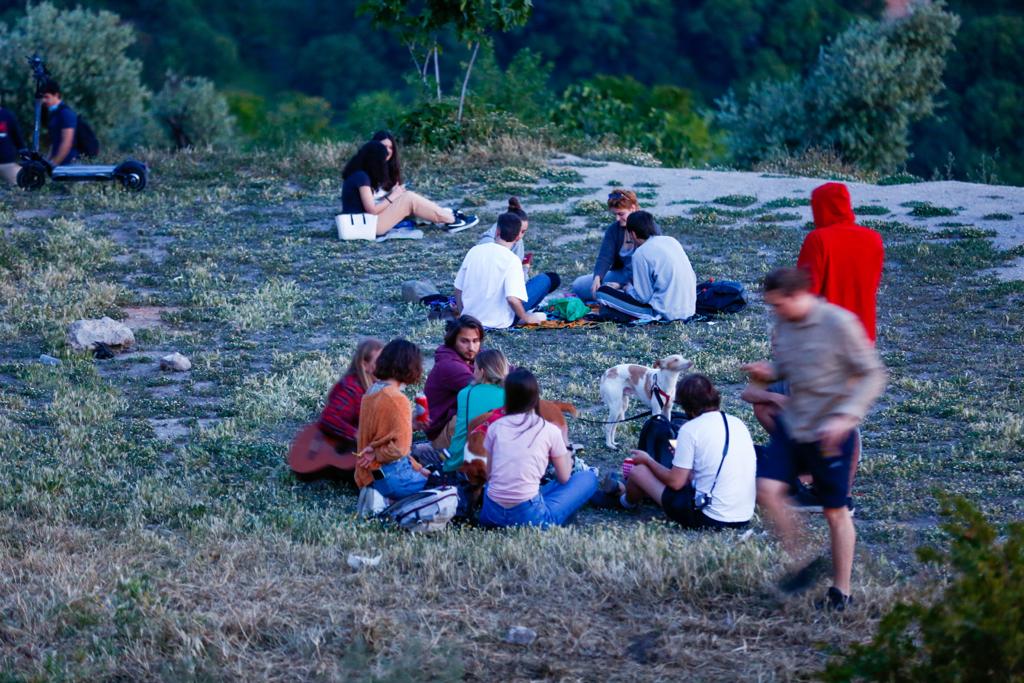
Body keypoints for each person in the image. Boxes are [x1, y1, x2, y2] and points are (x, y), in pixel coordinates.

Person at [743, 267, 886, 611]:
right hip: (795, 426)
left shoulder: (839, 323)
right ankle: (804, 560)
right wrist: (770, 372)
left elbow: (873, 374)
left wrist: (846, 417)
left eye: (777, 304)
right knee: (767, 489)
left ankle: (841, 592)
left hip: (830, 430)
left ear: (795, 296)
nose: (773, 312)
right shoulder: (787, 326)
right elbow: (792, 367)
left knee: (835, 511)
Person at [600, 375, 756, 530]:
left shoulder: (691, 429)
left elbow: (676, 482)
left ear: (687, 406)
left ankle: (623, 501)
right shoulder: (737, 423)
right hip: (743, 516)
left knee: (639, 471)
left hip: (708, 517)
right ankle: (623, 488)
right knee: (670, 474)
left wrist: (648, 460)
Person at [478, 369, 598, 529]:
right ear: (535, 397)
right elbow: (564, 477)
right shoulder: (549, 430)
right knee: (587, 478)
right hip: (528, 516)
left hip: (491, 514)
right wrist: (567, 448)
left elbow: (490, 475)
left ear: (507, 397)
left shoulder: (495, 427)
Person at [798, 182, 885, 344]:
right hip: (863, 333)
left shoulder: (818, 239)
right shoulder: (874, 239)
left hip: (826, 334)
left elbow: (806, 291)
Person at [340, 140, 478, 238]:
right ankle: (451, 220)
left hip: (366, 224)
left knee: (406, 197)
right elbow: (372, 210)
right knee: (408, 198)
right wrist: (394, 195)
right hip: (369, 226)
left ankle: (446, 216)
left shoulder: (357, 174)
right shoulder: (361, 178)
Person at [354, 339, 430, 513]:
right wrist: (376, 453)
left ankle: (381, 495)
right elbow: (400, 450)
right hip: (392, 474)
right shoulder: (398, 400)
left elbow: (382, 434)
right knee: (441, 485)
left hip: (370, 475)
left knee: (424, 474)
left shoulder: (372, 392)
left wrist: (409, 425)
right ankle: (388, 501)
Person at [454, 211, 560, 329]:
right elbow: (512, 299)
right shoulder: (512, 260)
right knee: (550, 279)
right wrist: (526, 318)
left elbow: (458, 288)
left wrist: (464, 314)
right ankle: (522, 317)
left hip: (470, 317)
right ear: (518, 236)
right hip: (500, 321)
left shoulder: (474, 251)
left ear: (497, 231)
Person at [595, 211, 696, 322]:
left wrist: (626, 288)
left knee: (602, 292)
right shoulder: (671, 241)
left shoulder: (641, 253)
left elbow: (643, 297)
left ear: (632, 234)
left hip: (664, 312)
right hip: (689, 309)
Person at [571, 189, 649, 302]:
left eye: (621, 214)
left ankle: (622, 293)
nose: (617, 218)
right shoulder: (614, 229)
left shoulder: (647, 226)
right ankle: (619, 294)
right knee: (579, 285)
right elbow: (605, 256)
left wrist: (622, 284)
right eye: (615, 214)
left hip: (643, 278)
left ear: (633, 208)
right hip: (622, 274)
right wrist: (597, 277)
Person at [423, 316, 484, 449]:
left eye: (476, 341)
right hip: (442, 432)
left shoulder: (478, 356)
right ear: (453, 341)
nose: (471, 347)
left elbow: (510, 369)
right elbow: (483, 393)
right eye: (464, 341)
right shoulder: (449, 366)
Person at [444, 349, 510, 471]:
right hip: (503, 465)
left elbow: (462, 434)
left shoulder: (466, 393)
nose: (472, 373)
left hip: (466, 464)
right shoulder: (512, 394)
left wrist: (451, 465)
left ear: (482, 372)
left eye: (474, 369)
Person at [318, 337, 384, 453]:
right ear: (364, 365)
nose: (384, 366)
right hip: (342, 452)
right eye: (379, 362)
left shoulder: (375, 385)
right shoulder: (351, 388)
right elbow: (329, 418)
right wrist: (357, 435)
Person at [477, 196, 528, 261]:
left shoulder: (518, 241)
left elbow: (518, 262)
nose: (520, 235)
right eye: (518, 230)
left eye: (523, 232)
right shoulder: (487, 244)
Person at [40, 80, 77, 167]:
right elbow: (54, 142)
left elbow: (67, 143)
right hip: (61, 164)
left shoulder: (65, 113)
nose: (44, 100)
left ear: (56, 95)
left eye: (46, 97)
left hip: (69, 164)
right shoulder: (54, 114)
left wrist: (53, 165)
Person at [0, 104, 25, 186]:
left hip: (5, 163)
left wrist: (24, 153)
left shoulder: (7, 115)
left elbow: (18, 137)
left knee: (22, 182)